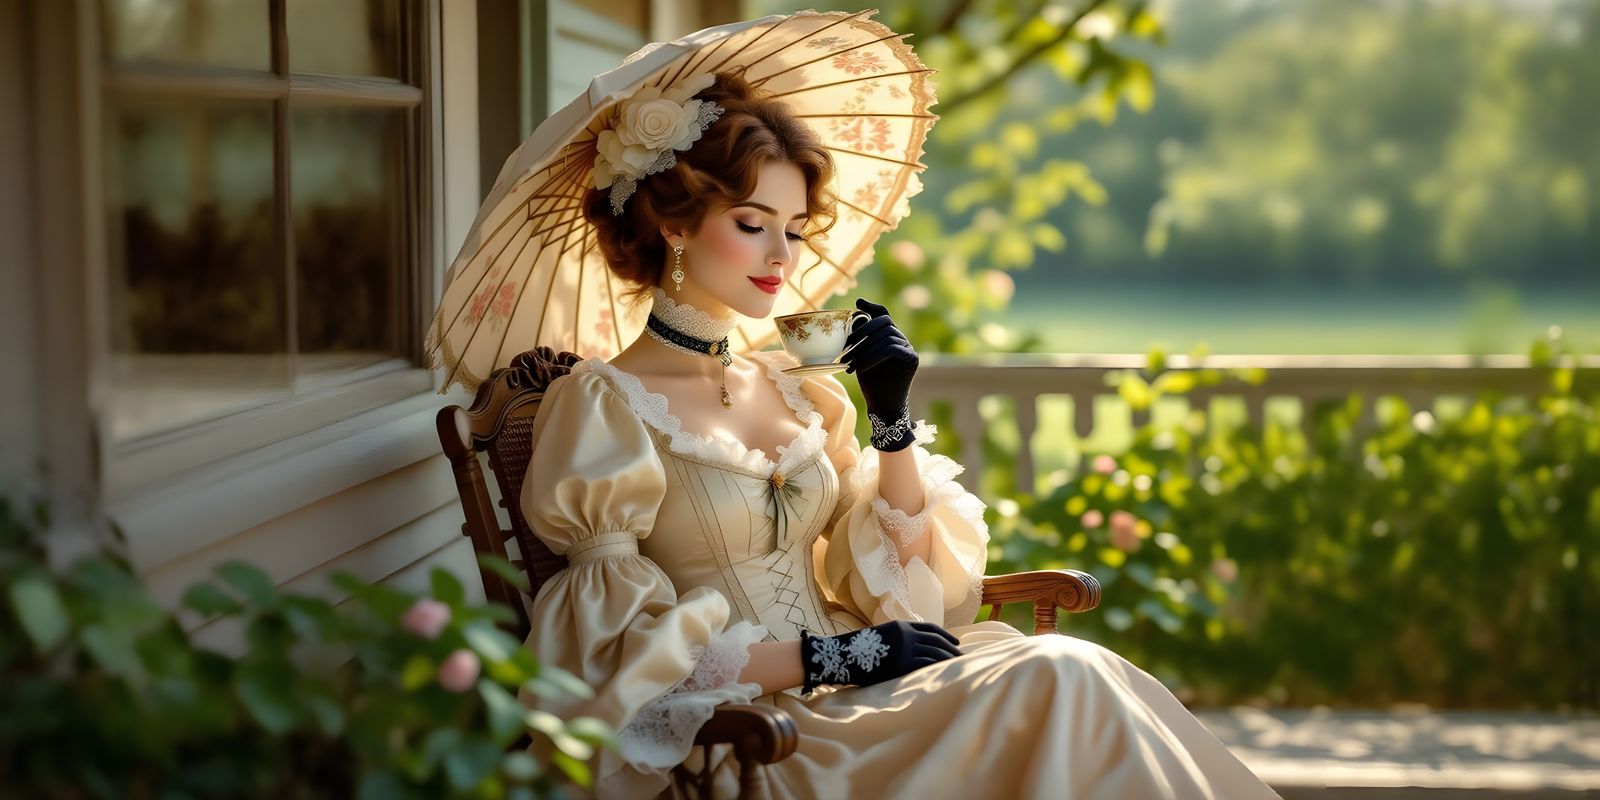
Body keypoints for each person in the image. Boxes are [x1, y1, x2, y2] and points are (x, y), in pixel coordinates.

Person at [518, 70, 1281, 799]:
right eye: (752, 225)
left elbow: (917, 595)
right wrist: (832, 654)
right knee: (1062, 675)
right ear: (672, 225)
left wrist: (890, 418)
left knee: (1079, 669)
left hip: (870, 694)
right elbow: (613, 663)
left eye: (793, 228)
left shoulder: (795, 387)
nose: (782, 256)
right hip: (757, 734)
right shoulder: (603, 407)